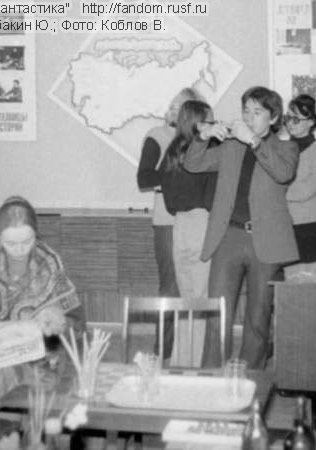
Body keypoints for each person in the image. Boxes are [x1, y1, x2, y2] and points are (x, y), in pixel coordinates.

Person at [184, 86, 299, 369]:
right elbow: (193, 164)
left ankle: (250, 381)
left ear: (274, 118)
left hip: (267, 242)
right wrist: (202, 137)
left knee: (258, 319)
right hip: (229, 237)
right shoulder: (231, 146)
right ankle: (212, 378)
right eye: (246, 111)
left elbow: (283, 173)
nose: (249, 118)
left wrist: (255, 143)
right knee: (217, 315)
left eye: (257, 112)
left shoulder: (286, 147)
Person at [0, 196, 86, 414]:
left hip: (44, 358)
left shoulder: (50, 264)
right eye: (11, 243)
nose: (20, 249)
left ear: (36, 235)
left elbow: (79, 325)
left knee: (10, 382)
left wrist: (60, 321)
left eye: (27, 241)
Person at [136, 88, 202, 359]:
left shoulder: (201, 139)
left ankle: (190, 350)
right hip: (167, 221)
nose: (172, 111)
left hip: (197, 222)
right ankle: (163, 351)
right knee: (171, 287)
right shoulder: (157, 135)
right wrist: (177, 176)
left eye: (180, 108)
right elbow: (144, 179)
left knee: (195, 287)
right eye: (172, 106)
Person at [283, 94, 316, 263]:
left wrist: (276, 190)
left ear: (311, 121)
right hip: (282, 222)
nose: (290, 123)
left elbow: (306, 190)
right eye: (287, 118)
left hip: (308, 224)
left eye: (296, 119)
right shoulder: (281, 148)